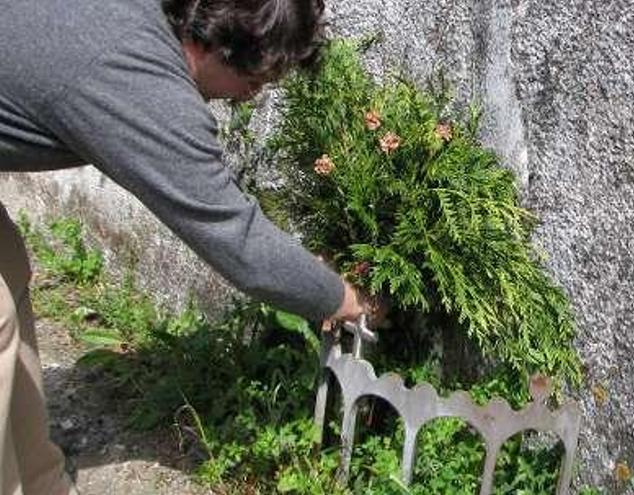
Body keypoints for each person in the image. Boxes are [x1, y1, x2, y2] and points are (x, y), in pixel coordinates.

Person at [0, 0, 367, 492]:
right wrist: (345, 299)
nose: (253, 96)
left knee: (9, 270)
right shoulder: (140, 78)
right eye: (257, 79)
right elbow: (238, 241)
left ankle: (36, 482)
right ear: (218, 45)